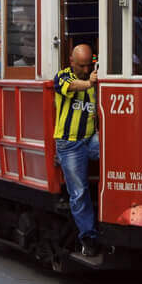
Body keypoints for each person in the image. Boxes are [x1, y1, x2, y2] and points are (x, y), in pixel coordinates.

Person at [54, 44, 100, 256]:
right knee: (79, 192)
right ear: (72, 62)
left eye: (87, 65)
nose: (84, 69)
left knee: (118, 153)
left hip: (90, 139)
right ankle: (88, 238)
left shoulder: (95, 74)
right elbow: (71, 86)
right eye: (81, 65)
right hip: (69, 143)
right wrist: (88, 82)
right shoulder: (63, 76)